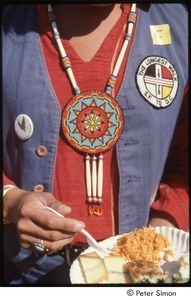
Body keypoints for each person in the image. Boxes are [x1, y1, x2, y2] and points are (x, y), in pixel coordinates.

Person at [2, 3, 188, 286]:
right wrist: (9, 200)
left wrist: (165, 227)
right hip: (27, 276)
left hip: (142, 274)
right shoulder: (9, 26)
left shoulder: (181, 26)